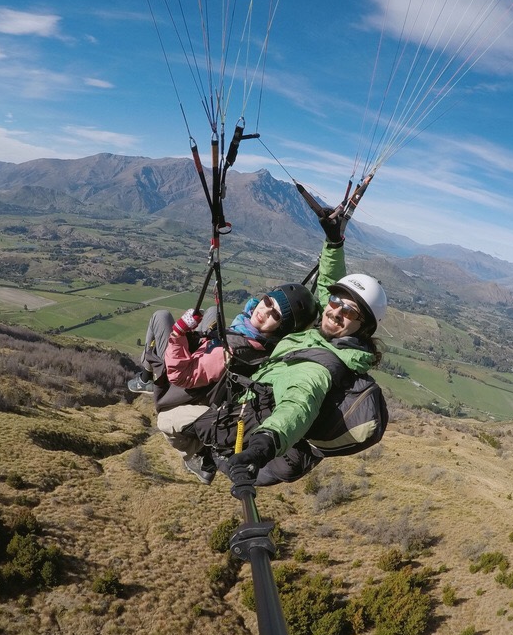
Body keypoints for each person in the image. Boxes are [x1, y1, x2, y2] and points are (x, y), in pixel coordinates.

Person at [183, 209, 388, 493]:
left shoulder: (319, 367)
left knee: (169, 418)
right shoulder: (323, 335)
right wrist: (333, 243)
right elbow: (330, 282)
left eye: (349, 311)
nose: (335, 311)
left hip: (249, 431)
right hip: (249, 403)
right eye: (334, 301)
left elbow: (298, 406)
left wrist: (264, 445)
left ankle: (205, 460)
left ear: (363, 328)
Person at [127, 283, 318, 482]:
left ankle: (146, 377)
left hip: (185, 380)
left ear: (282, 327)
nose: (265, 311)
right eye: (268, 301)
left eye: (276, 316)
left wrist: (178, 333)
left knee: (161, 317)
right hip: (215, 372)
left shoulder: (229, 351)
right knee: (211, 312)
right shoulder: (264, 341)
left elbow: (179, 375)